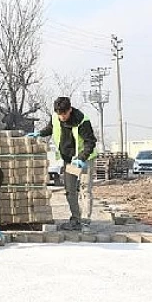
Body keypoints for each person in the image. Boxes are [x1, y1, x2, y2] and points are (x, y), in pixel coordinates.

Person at [27, 97, 97, 231]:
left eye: (64, 114)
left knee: (84, 189)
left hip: (84, 159)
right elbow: (51, 128)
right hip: (69, 160)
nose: (62, 117)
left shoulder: (82, 121)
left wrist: (82, 158)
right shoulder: (55, 116)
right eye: (59, 114)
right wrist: (40, 133)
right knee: (70, 190)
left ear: (70, 110)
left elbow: (90, 142)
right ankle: (76, 220)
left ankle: (86, 221)